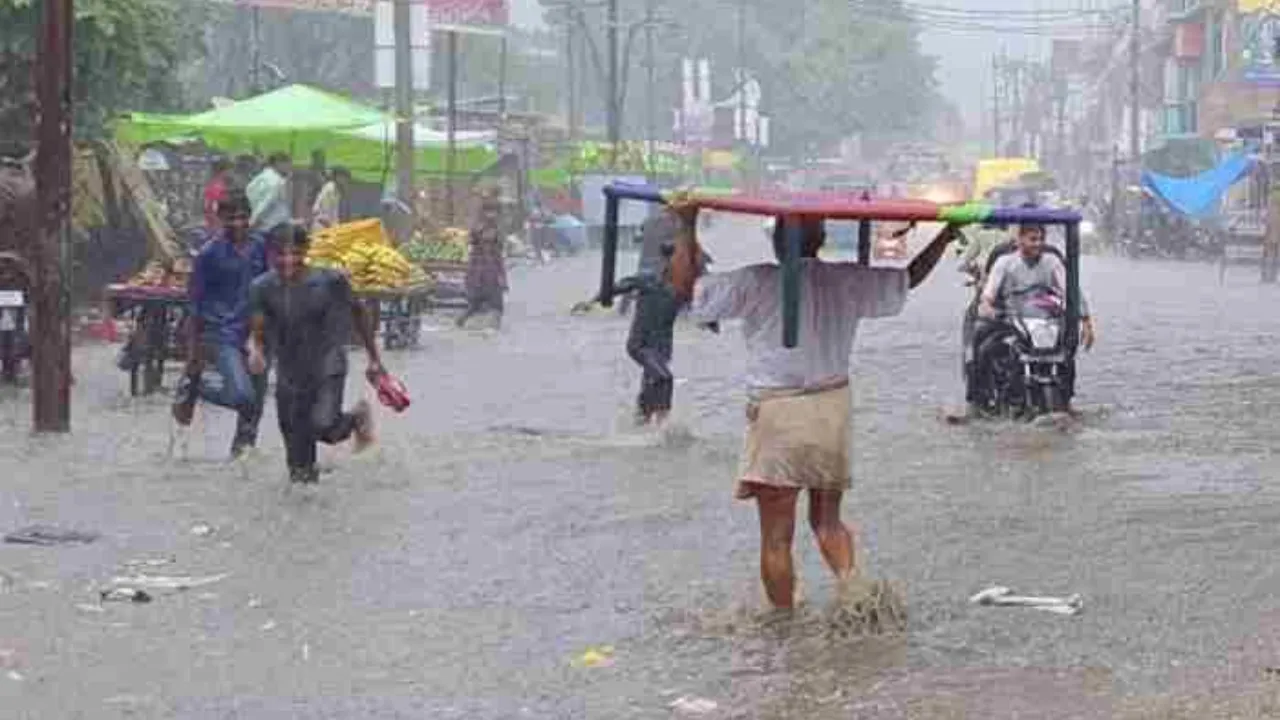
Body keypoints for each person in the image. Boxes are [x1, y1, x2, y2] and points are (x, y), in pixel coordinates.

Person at [673, 213, 960, 610]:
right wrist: (945, 236)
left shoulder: (756, 280)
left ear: (777, 240)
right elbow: (908, 277)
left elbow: (685, 288)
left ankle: (784, 626)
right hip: (832, 409)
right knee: (828, 522)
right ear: (821, 238)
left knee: (777, 537)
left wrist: (686, 225)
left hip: (779, 411)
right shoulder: (846, 279)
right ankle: (857, 596)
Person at [247, 225, 381, 485]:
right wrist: (256, 350)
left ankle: (356, 418)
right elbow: (257, 328)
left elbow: (359, 312)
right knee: (299, 470)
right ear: (270, 254)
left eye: (295, 253)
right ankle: (310, 504)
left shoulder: (331, 281)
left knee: (324, 426)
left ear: (307, 251)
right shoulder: (261, 287)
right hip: (290, 373)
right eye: (281, 254)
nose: (289, 261)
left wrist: (374, 359)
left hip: (327, 364)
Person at [172, 191, 271, 458]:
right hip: (221, 333)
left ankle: (242, 455)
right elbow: (195, 304)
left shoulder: (260, 246)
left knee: (256, 401)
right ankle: (198, 387)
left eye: (243, 217)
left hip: (257, 331)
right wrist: (193, 354)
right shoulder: (209, 254)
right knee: (242, 397)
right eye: (231, 218)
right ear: (220, 219)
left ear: (250, 217)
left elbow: (269, 287)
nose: (238, 224)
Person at [968, 222, 1096, 415]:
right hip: (1011, 320)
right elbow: (989, 294)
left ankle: (1066, 400)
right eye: (1033, 239)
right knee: (982, 344)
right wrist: (987, 306)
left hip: (1046, 320)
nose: (1038, 244)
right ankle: (977, 403)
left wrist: (1086, 321)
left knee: (1067, 351)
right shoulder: (1005, 262)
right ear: (1019, 239)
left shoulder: (1052, 261)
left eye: (1041, 239)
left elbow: (1071, 292)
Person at [456, 188, 508, 329]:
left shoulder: (497, 227)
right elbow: (472, 241)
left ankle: (494, 324)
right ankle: (463, 319)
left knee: (496, 301)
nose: (492, 215)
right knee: (477, 301)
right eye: (489, 212)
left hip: (492, 266)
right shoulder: (480, 227)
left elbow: (500, 246)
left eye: (494, 212)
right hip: (481, 267)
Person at [246, 153, 293, 235]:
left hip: (264, 225)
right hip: (271, 227)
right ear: (278, 163)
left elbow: (249, 194)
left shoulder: (259, 178)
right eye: (287, 164)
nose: (290, 168)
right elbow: (266, 204)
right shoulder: (276, 181)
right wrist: (253, 223)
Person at [311, 166, 351, 232]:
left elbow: (334, 213)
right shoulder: (329, 189)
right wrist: (334, 226)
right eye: (344, 178)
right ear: (337, 177)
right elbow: (322, 212)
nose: (346, 181)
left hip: (329, 227)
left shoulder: (337, 191)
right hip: (321, 227)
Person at [203, 158, 233, 232]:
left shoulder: (214, 183)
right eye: (230, 170)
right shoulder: (219, 186)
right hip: (218, 226)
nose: (232, 172)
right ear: (224, 170)